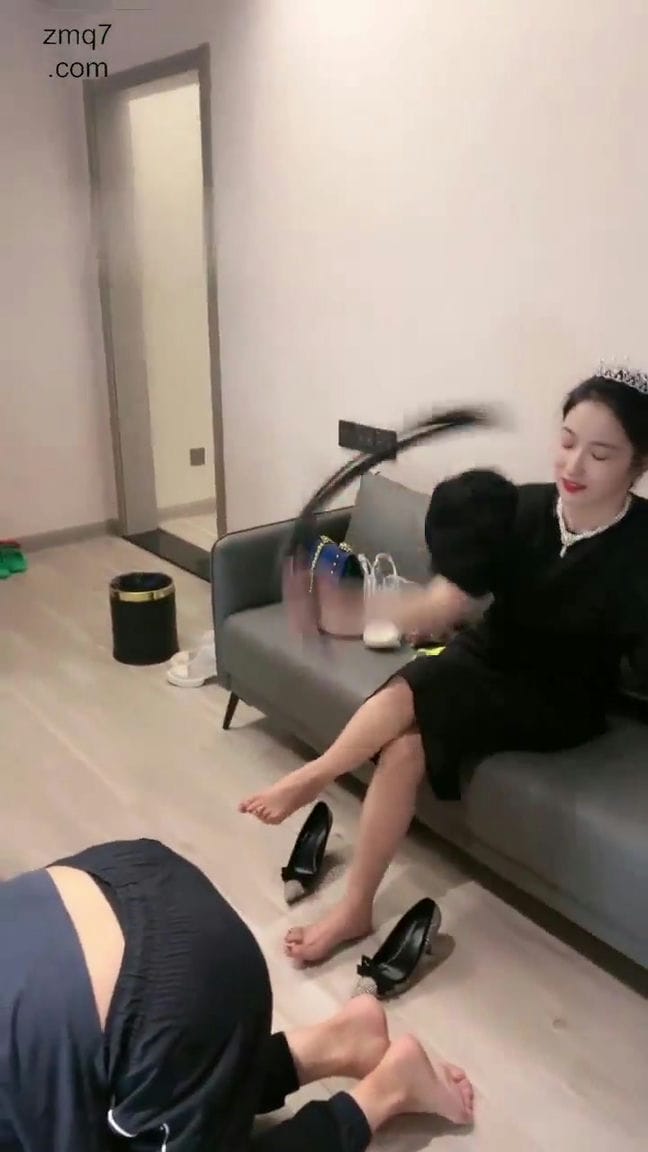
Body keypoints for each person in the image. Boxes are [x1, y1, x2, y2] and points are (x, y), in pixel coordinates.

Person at [240, 369, 648, 963]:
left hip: (560, 695)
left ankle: (316, 781)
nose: (574, 465)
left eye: (601, 454)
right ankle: (352, 897)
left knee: (421, 717)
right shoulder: (523, 508)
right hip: (489, 654)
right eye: (566, 441)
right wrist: (351, 609)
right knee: (406, 738)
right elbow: (442, 606)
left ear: (638, 465)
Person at [0, 837, 474, 1150]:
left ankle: (385, 1093)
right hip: (120, 877)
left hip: (170, 997)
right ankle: (332, 1044)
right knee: (125, 1087)